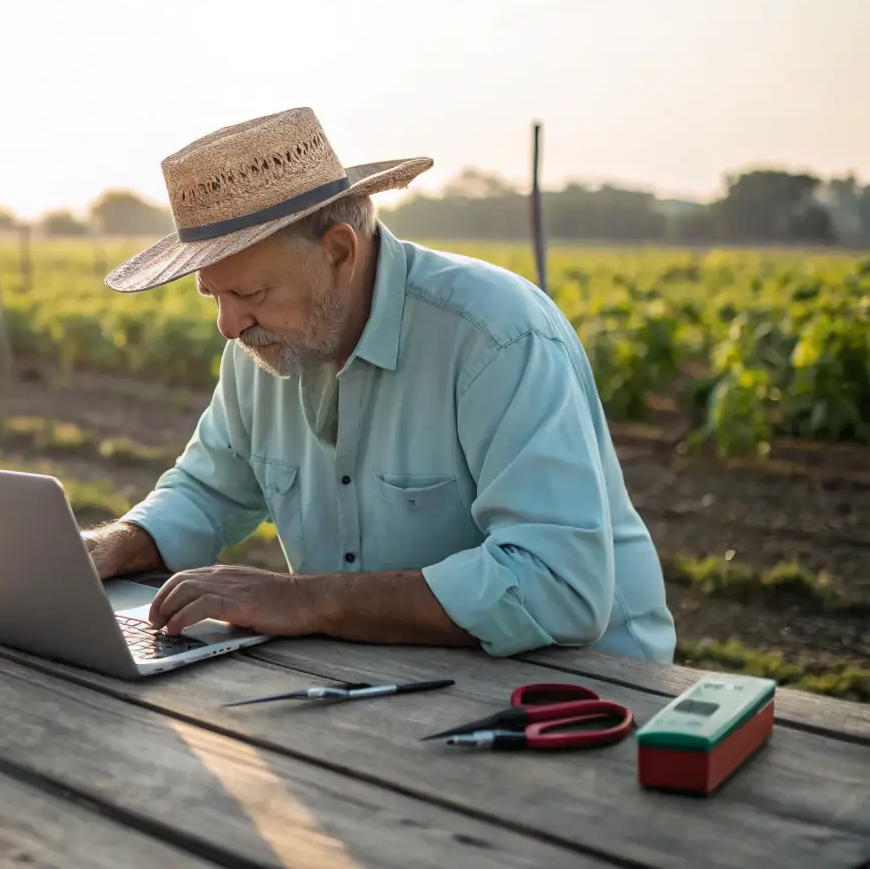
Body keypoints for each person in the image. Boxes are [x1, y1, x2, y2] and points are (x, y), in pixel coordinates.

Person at [83, 107, 675, 662]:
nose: (228, 325)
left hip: (585, 687)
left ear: (339, 251)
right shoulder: (261, 346)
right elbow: (208, 491)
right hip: (389, 674)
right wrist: (111, 545)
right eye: (213, 295)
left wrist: (304, 599)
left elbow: (557, 586)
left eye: (250, 294)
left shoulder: (496, 337)